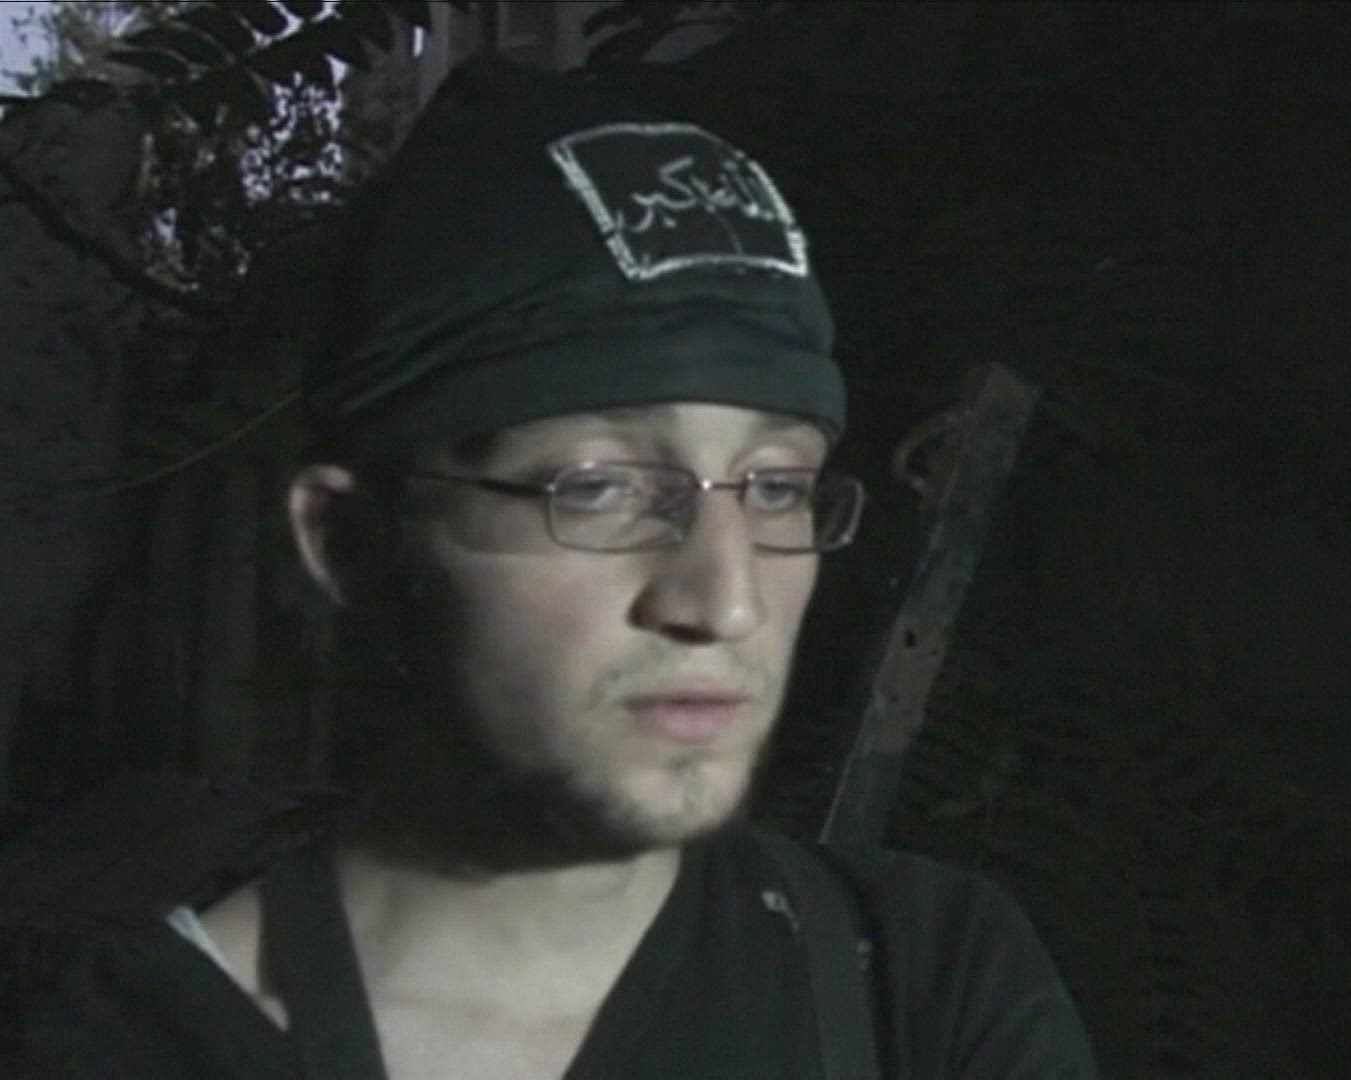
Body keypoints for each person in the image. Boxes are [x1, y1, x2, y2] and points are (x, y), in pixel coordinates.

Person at [11, 56, 1097, 1079]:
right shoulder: (136, 1051)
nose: (725, 601)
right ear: (351, 544)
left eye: (775, 487)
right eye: (597, 487)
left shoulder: (922, 985)